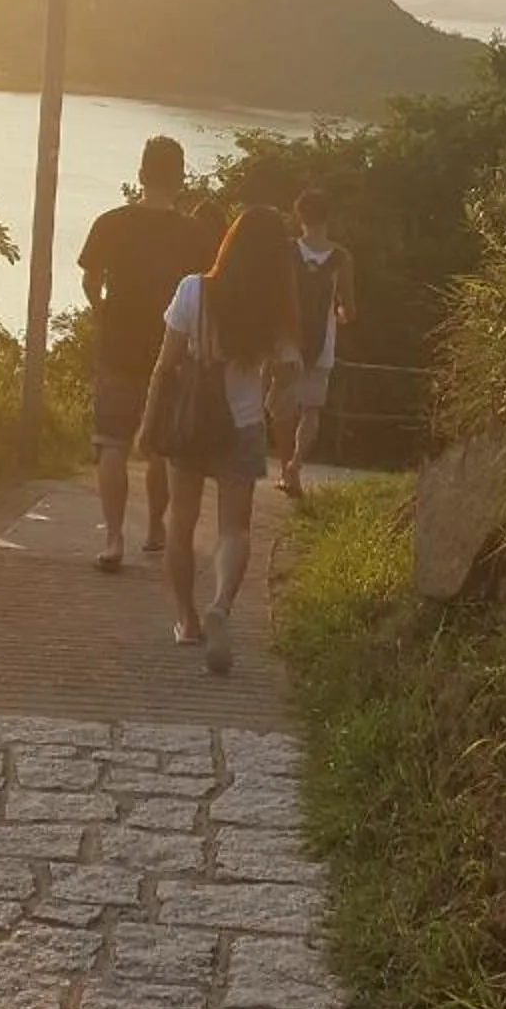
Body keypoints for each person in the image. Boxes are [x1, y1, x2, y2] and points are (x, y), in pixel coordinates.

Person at [138, 203, 300, 675]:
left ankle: (187, 622)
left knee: (181, 522)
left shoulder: (194, 289)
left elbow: (164, 366)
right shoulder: (276, 305)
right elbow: (289, 369)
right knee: (234, 529)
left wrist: (149, 423)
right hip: (242, 425)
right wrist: (275, 387)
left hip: (190, 422)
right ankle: (222, 606)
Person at [78, 135, 205, 573]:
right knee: (161, 448)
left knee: (111, 444)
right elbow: (204, 294)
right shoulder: (196, 234)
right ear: (180, 178)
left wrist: (103, 312)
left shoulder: (110, 222)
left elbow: (91, 281)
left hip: (117, 346)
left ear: (140, 174)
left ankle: (113, 538)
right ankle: (154, 528)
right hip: (169, 350)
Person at [273, 187, 356, 497]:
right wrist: (341, 313)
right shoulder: (341, 257)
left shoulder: (287, 250)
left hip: (287, 340)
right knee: (311, 410)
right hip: (323, 342)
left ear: (299, 217)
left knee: (282, 408)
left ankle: (284, 470)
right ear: (328, 216)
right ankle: (296, 462)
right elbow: (349, 306)